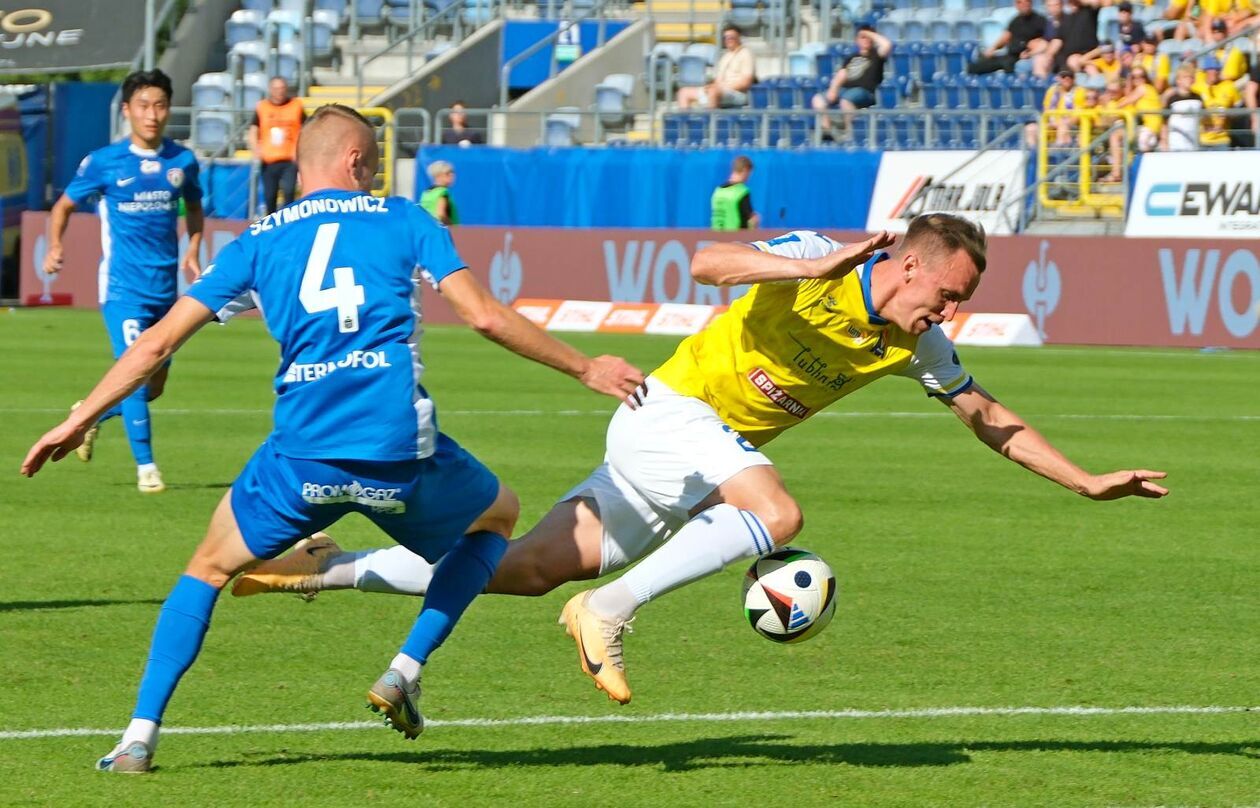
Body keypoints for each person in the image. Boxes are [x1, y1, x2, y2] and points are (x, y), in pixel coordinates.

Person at [235, 215, 1169, 707]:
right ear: (914, 265)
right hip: (666, 411)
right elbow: (705, 263)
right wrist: (802, 269)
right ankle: (607, 609)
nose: (950, 315)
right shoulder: (820, 257)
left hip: (689, 465)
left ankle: (325, 568)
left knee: (514, 568)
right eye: (950, 295)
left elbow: (988, 415)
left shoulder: (917, 345)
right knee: (780, 515)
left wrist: (1086, 479)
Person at [20, 104, 644, 772]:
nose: (376, 172)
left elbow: (157, 344)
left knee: (206, 567)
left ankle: (137, 738)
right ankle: (405, 668)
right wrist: (586, 366)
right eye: (373, 161)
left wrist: (81, 414)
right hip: (396, 453)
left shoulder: (258, 240)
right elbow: (484, 318)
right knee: (499, 514)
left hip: (301, 457)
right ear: (354, 160)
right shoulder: (402, 217)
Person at [41, 69, 203, 495]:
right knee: (136, 369)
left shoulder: (182, 161)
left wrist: (192, 249)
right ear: (128, 110)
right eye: (144, 106)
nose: (153, 115)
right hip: (122, 289)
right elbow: (62, 207)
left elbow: (195, 206)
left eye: (161, 105)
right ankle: (147, 469)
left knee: (153, 386)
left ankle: (89, 415)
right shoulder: (104, 162)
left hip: (165, 291)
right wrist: (55, 247)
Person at [811, 25, 893, 137]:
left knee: (846, 100)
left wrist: (868, 33)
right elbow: (842, 74)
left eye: (868, 37)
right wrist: (833, 89)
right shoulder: (851, 57)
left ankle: (850, 133)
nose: (865, 39)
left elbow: (887, 44)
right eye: (862, 37)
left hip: (864, 92)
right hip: (845, 89)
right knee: (818, 99)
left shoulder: (876, 55)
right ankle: (827, 130)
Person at [248, 76, 306, 215]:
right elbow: (253, 129)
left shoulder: (296, 106)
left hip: (290, 159)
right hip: (269, 160)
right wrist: (255, 148)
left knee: (289, 191)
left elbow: (306, 127)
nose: (279, 92)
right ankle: (272, 221)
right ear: (270, 90)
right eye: (276, 89)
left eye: (282, 88)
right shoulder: (262, 107)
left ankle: (288, 221)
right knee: (270, 195)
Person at [676, 26, 755, 110]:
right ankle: (686, 122)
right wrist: (710, 86)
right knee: (683, 92)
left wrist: (723, 87)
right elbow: (718, 81)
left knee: (713, 91)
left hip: (737, 93)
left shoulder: (746, 54)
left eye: (732, 37)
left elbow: (746, 82)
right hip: (720, 91)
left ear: (739, 38)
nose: (728, 40)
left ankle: (710, 121)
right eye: (726, 38)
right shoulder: (725, 56)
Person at [968, 0, 1047, 74]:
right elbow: (1005, 37)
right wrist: (992, 49)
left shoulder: (1040, 20)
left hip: (1024, 57)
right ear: (1016, 5)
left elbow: (1045, 42)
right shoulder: (1015, 21)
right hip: (1011, 55)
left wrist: (1030, 53)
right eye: (1019, 2)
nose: (1024, 4)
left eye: (1026, 1)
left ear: (1031, 3)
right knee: (976, 66)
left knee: (1010, 65)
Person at [1192, 56, 1243, 146]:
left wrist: (1229, 114)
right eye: (1211, 69)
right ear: (1205, 71)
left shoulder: (1229, 86)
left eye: (1217, 69)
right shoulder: (1196, 88)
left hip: (1222, 139)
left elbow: (1240, 110)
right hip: (1202, 139)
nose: (1215, 72)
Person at [1052, 0, 1104, 74]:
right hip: (1071, 58)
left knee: (1091, 69)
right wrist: (1048, 55)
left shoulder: (1088, 11)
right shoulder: (1065, 18)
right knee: (1072, 61)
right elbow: (1058, 40)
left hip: (1090, 55)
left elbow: (1096, 2)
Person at [1162, 65, 1206, 150]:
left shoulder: (1198, 98)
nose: (1189, 80)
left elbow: (1204, 119)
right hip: (1175, 145)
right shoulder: (1172, 99)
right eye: (1186, 77)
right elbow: (1164, 123)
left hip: (1194, 145)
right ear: (1178, 80)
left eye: (1191, 77)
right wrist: (1164, 141)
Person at [710, 155, 759, 231]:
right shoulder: (741, 191)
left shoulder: (718, 191)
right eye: (749, 173)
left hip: (716, 237)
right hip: (736, 238)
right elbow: (751, 220)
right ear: (745, 170)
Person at [419, 160, 458, 225]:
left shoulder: (426, 193)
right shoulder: (443, 192)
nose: (452, 176)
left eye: (452, 173)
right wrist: (453, 228)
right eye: (447, 173)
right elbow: (441, 214)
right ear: (438, 176)